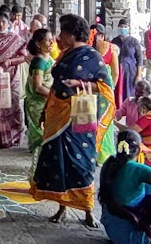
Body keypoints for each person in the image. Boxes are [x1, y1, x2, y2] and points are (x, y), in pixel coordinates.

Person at [29, 14, 114, 225]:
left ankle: (87, 210)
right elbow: (57, 84)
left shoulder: (93, 57)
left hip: (80, 113)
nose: (59, 36)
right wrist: (46, 109)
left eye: (63, 32)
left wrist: (80, 83)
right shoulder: (65, 55)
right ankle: (62, 207)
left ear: (73, 33)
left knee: (82, 161)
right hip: (57, 113)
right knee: (60, 163)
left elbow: (105, 87)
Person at [0, 15, 30, 148]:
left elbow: (24, 57)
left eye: (3, 22)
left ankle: (12, 136)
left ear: (8, 23)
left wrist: (10, 61)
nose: (1, 24)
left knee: (11, 103)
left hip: (11, 75)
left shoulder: (16, 39)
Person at [23, 28, 55, 162]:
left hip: (47, 100)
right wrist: (54, 95)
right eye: (48, 40)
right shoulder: (39, 62)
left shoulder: (48, 59)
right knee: (39, 129)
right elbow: (37, 86)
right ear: (38, 44)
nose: (51, 42)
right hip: (38, 102)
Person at [91, 25, 122, 165]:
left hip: (96, 91)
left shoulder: (109, 49)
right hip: (98, 91)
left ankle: (98, 154)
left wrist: (110, 89)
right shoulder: (107, 48)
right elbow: (115, 73)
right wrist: (110, 88)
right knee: (99, 122)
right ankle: (100, 154)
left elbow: (115, 73)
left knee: (98, 122)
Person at [116, 20, 142, 105]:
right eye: (121, 27)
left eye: (125, 27)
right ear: (118, 27)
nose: (123, 29)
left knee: (130, 92)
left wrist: (138, 75)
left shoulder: (134, 41)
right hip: (117, 72)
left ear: (129, 28)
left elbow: (139, 58)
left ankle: (130, 110)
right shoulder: (114, 41)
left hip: (131, 72)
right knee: (118, 91)